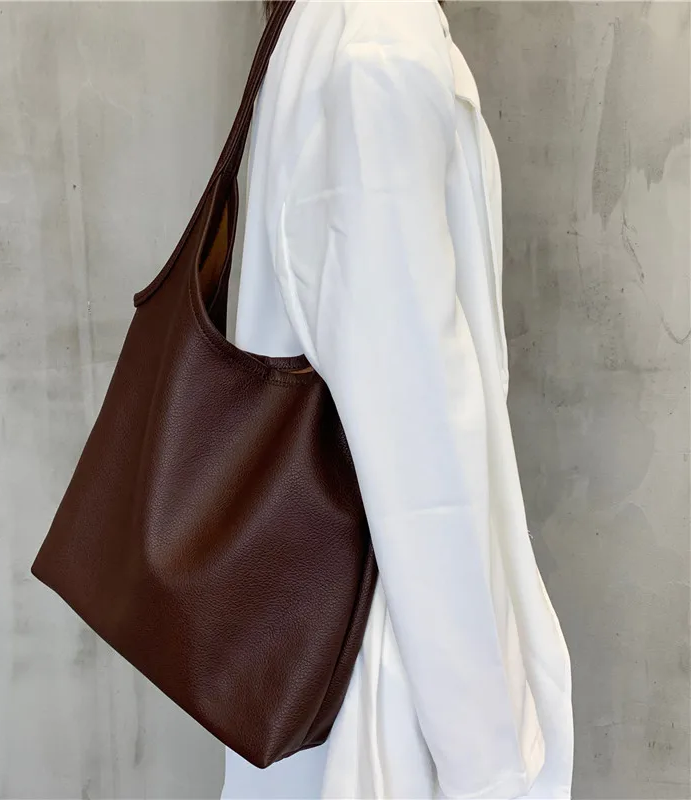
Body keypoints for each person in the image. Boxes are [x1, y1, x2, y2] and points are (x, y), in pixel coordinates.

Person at [222, 1, 574, 797]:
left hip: (326, 641)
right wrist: (488, 764)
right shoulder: (380, 41)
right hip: (384, 684)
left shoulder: (328, 26)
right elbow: (417, 444)